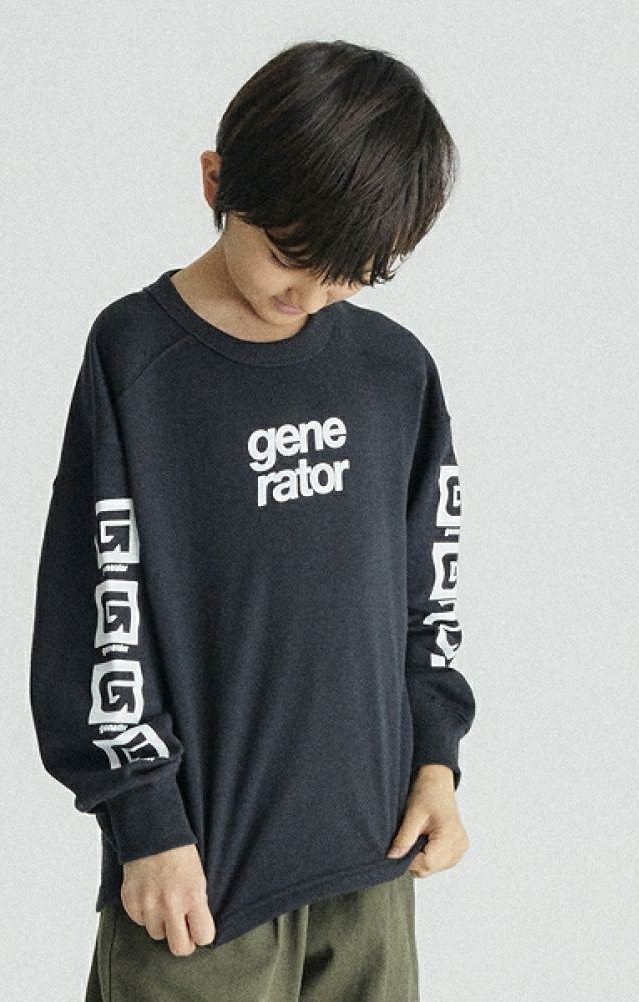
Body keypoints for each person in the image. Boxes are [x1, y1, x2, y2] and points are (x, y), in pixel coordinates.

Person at [29, 38, 476, 1002]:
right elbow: (98, 606)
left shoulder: (393, 372)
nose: (308, 297)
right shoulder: (137, 360)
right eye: (288, 257)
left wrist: (437, 761)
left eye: (354, 275)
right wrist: (144, 820)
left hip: (373, 862)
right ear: (215, 182)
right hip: (200, 887)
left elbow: (427, 589)